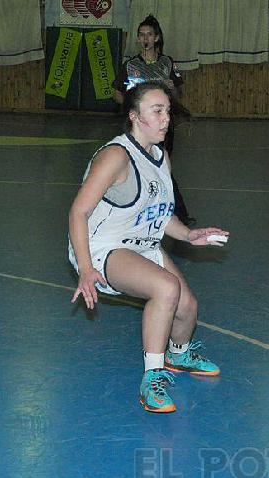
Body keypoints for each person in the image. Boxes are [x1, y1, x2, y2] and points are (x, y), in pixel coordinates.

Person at [68, 81, 229, 414]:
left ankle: (178, 353)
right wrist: (85, 267)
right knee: (166, 289)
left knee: (188, 309)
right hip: (103, 247)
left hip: (142, 243)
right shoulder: (116, 156)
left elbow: (158, 211)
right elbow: (78, 211)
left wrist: (188, 235)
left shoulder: (161, 156)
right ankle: (151, 379)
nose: (165, 118)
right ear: (134, 116)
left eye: (167, 111)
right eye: (157, 111)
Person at [112, 15, 195, 226]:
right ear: (138, 39)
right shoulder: (130, 66)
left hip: (161, 126)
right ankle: (130, 209)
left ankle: (177, 214)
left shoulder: (167, 63)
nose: (145, 38)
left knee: (161, 165)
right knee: (134, 164)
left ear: (156, 38)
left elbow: (176, 93)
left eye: (149, 34)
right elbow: (117, 93)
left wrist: (171, 88)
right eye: (141, 35)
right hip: (139, 126)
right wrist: (129, 108)